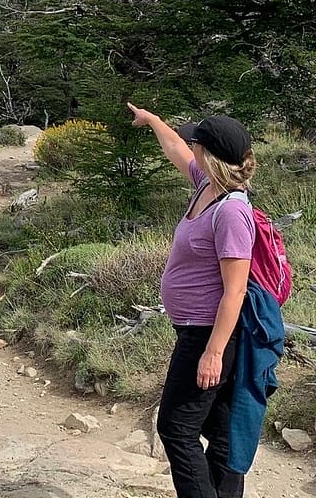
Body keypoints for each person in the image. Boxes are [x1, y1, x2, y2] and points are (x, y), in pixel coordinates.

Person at [127, 102, 257, 498]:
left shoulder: (231, 211)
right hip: (196, 331)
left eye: (196, 142)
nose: (190, 146)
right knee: (218, 432)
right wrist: (152, 121)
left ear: (210, 154)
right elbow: (175, 149)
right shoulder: (206, 185)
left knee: (175, 429)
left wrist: (213, 353)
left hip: (209, 336)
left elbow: (235, 291)